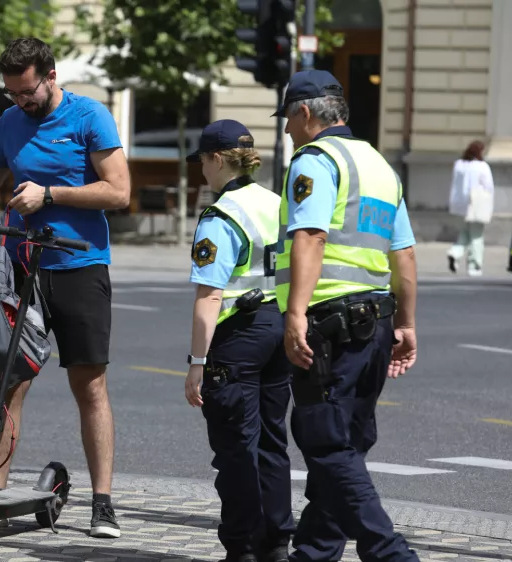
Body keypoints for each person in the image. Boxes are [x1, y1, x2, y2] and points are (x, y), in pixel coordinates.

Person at [0, 36, 131, 538]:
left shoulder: (89, 116)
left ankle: (103, 503)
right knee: (9, 380)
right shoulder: (9, 122)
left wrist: (52, 193)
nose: (20, 102)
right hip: (20, 266)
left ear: (50, 76)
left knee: (89, 385)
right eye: (12, 93)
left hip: (79, 265)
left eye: (27, 92)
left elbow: (119, 190)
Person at [274, 70, 420, 562]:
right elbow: (405, 256)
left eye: (289, 122)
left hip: (329, 324)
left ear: (306, 113)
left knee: (326, 442)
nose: (288, 132)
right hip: (376, 321)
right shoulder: (381, 167)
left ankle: (390, 553)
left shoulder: (315, 160)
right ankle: (314, 552)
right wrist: (407, 324)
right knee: (346, 443)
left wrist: (295, 314)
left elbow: (310, 236)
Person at [183, 119, 295, 562]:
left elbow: (210, 295)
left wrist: (197, 362)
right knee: (272, 442)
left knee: (235, 448)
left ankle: (242, 547)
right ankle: (276, 543)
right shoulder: (276, 203)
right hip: (278, 325)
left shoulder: (220, 216)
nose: (200, 173)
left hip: (238, 337)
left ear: (215, 159)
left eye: (202, 163)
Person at [447, 140, 494, 276]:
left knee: (464, 233)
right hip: (476, 205)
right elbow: (488, 186)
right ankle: (474, 266)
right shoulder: (482, 166)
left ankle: (454, 253)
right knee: (476, 236)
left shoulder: (459, 165)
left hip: (459, 206)